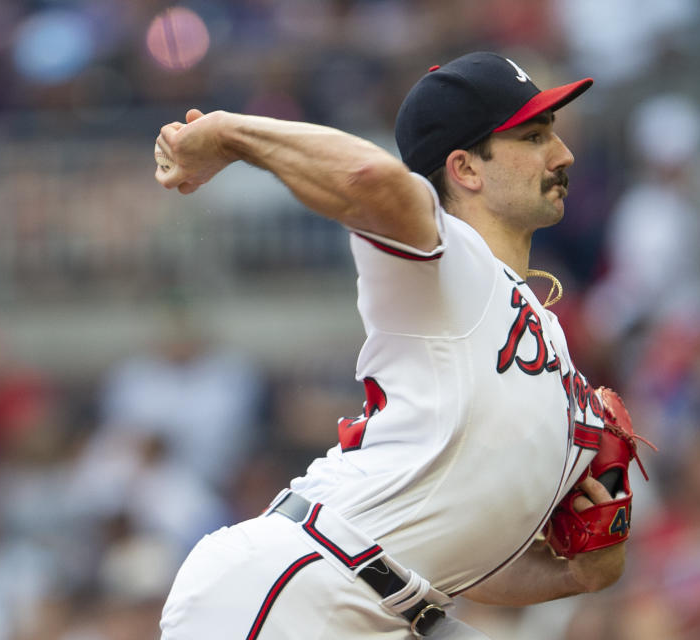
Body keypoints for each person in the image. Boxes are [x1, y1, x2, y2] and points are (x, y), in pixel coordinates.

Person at [154, 51, 639, 639]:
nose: (562, 154)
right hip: (302, 581)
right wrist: (228, 134)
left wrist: (578, 575)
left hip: (388, 602)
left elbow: (454, 551)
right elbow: (372, 180)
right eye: (534, 136)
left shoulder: (546, 337)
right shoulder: (448, 260)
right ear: (465, 168)